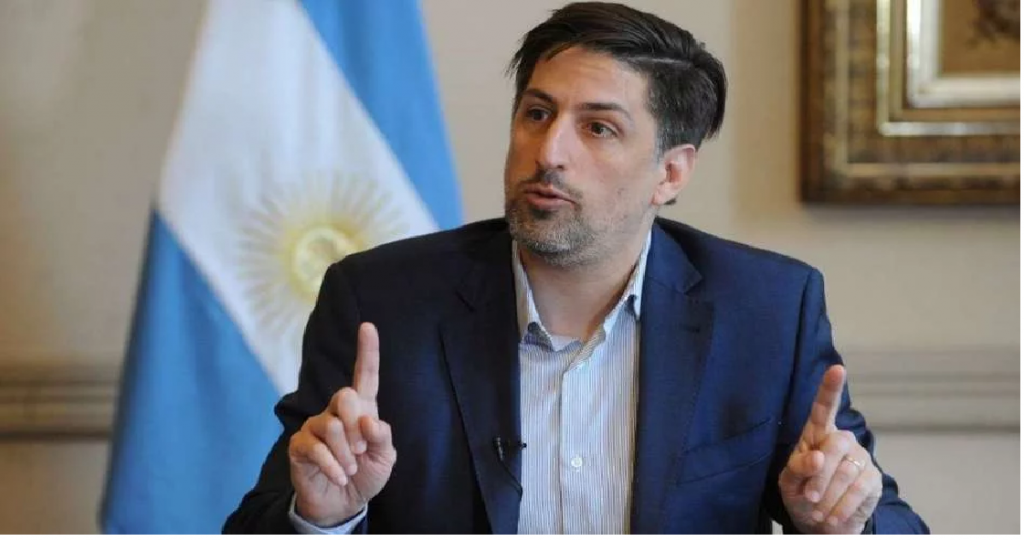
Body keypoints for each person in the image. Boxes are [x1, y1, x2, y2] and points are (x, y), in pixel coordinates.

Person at [223, 2, 928, 534]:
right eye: (537, 114)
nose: (549, 152)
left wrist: (840, 522)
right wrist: (322, 517)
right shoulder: (381, 301)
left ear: (670, 172)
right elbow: (256, 522)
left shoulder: (767, 310)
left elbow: (887, 518)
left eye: (598, 127)